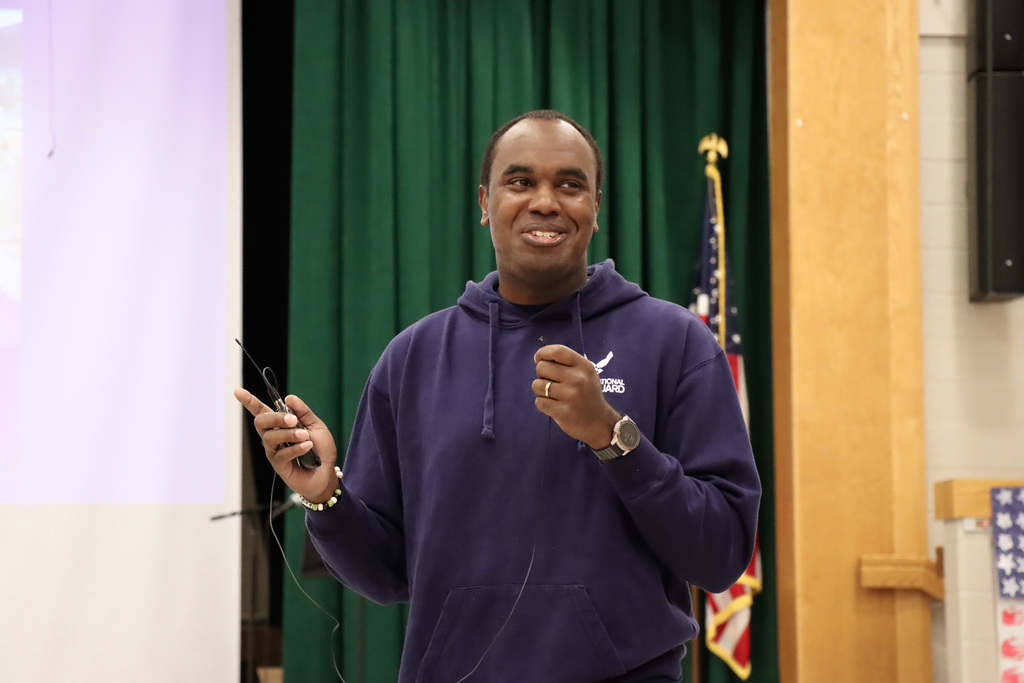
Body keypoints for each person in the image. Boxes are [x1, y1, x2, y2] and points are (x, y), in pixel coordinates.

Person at [235, 110, 760, 682]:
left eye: (569, 184)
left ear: (596, 208)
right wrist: (325, 498)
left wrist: (614, 437)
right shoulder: (413, 358)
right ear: (484, 202)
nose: (544, 201)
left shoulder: (675, 342)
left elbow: (721, 554)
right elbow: (385, 575)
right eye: (520, 182)